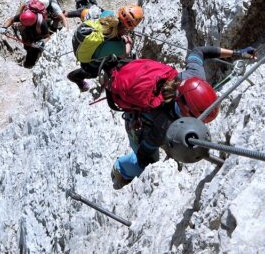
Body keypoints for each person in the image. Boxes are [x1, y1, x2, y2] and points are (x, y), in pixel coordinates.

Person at [110, 44, 256, 189]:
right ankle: (122, 170)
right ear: (187, 112)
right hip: (136, 113)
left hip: (133, 73)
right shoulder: (164, 124)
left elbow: (198, 51)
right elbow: (146, 150)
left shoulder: (193, 77)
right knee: (144, 160)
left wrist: (238, 53)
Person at [66, 5, 144, 91]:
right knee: (93, 72)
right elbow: (125, 54)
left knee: (110, 60)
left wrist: (121, 33)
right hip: (88, 61)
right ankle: (74, 77)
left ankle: (107, 69)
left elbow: (112, 28)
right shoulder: (117, 46)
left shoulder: (108, 14)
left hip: (82, 42)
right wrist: (129, 42)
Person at [2, 0, 68, 68]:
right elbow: (11, 19)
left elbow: (47, 36)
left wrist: (42, 42)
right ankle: (28, 55)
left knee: (36, 47)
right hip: (32, 28)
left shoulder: (43, 20)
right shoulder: (26, 13)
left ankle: (32, 59)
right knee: (28, 42)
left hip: (41, 28)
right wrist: (3, 28)